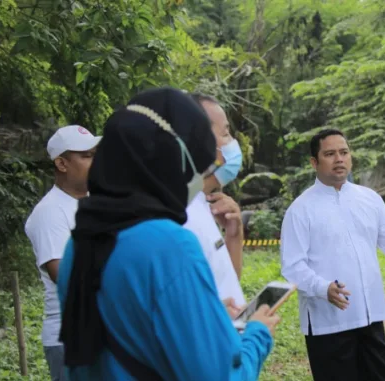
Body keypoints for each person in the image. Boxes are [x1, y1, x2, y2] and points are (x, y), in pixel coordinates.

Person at [56, 88, 280, 380]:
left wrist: (204, 316)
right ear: (169, 161)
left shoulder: (80, 242)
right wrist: (257, 336)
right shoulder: (169, 244)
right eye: (195, 168)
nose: (197, 179)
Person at [280, 129, 385, 381]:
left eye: (344, 152)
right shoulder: (300, 210)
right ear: (314, 163)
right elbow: (292, 266)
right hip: (329, 322)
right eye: (330, 154)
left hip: (371, 316)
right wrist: (322, 287)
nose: (339, 159)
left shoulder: (369, 199)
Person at [24, 124, 100, 381]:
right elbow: (65, 275)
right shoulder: (50, 213)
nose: (95, 161)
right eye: (86, 156)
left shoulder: (98, 203)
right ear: (62, 163)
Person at [184, 93, 246, 308]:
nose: (233, 143)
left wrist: (234, 235)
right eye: (226, 133)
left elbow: (227, 283)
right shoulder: (179, 214)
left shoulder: (200, 202)